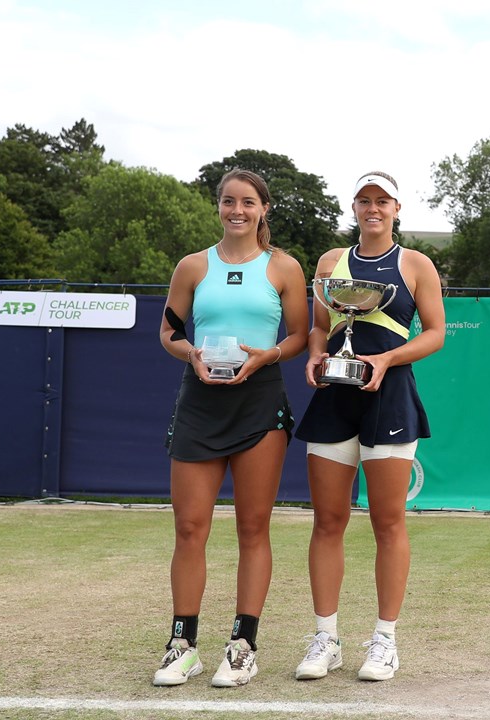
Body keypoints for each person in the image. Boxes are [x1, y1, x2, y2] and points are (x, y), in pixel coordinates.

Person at [153, 169, 309, 688]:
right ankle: (182, 644)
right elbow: (170, 331)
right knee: (190, 527)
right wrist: (189, 353)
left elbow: (300, 335)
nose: (236, 210)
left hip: (260, 404)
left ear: (264, 208)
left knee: (251, 528)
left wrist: (269, 356)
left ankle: (242, 646)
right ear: (217, 206)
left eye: (247, 202)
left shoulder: (284, 268)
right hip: (199, 400)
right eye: (227, 201)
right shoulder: (192, 266)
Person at [293, 171, 445, 682]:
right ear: (354, 207)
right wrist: (316, 353)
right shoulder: (330, 263)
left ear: (397, 208)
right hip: (335, 396)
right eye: (364, 200)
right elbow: (319, 326)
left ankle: (384, 641)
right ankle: (326, 638)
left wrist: (387, 361)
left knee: (388, 522)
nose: (372, 208)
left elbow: (437, 334)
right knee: (328, 521)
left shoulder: (416, 264)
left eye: (382, 201)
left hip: (391, 397)